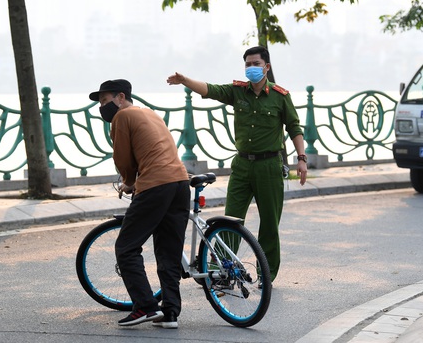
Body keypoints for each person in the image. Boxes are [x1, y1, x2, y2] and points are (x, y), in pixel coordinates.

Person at [167, 46, 308, 283]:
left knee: (270, 223)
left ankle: (267, 274)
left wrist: (301, 159)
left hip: (269, 166)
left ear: (267, 67)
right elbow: (210, 89)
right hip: (242, 164)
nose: (251, 68)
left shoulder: (280, 96)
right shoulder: (237, 92)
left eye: (256, 64)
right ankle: (223, 269)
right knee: (230, 219)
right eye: (247, 64)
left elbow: (294, 127)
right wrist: (185, 81)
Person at [89, 79, 190, 329]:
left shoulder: (122, 117)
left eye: (105, 101)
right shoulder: (150, 114)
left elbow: (122, 158)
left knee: (126, 247)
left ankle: (145, 307)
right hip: (180, 182)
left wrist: (128, 182)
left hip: (155, 185)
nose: (102, 107)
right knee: (169, 251)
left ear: (121, 97)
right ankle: (170, 313)